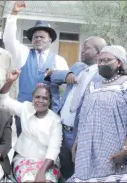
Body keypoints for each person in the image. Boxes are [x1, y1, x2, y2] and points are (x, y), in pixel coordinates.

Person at [68, 45, 127, 182]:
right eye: (100, 61)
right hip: (88, 151)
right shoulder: (92, 87)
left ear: (119, 62)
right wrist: (77, 143)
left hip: (114, 149)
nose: (102, 64)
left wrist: (125, 150)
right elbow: (84, 118)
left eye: (107, 60)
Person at [3, 1, 69, 137]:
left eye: (42, 37)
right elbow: (9, 40)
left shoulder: (59, 60)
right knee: (23, 148)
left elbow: (65, 87)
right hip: (25, 109)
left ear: (50, 40)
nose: (38, 39)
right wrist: (14, 14)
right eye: (35, 37)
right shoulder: (24, 54)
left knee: (45, 148)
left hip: (49, 112)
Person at [46, 36, 106, 179]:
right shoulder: (78, 66)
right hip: (62, 128)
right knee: (64, 168)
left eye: (86, 48)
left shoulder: (102, 75)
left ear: (99, 53)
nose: (82, 50)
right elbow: (52, 76)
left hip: (80, 133)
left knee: (79, 171)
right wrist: (67, 73)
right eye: (82, 47)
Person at [0, 69, 63, 182]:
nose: (40, 100)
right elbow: (3, 100)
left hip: (47, 163)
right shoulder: (26, 108)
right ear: (32, 98)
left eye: (45, 98)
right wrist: (10, 81)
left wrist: (41, 172)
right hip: (24, 159)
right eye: (37, 97)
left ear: (49, 101)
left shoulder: (55, 120)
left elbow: (54, 149)